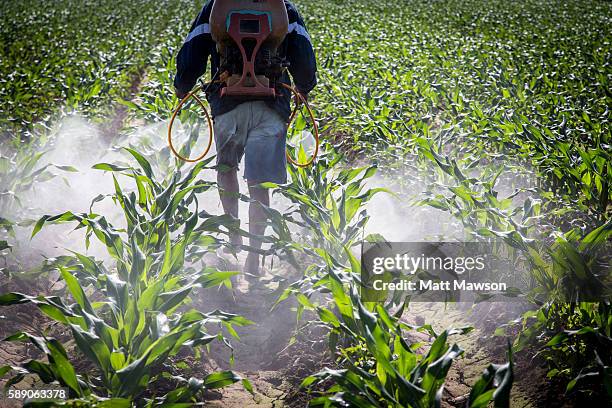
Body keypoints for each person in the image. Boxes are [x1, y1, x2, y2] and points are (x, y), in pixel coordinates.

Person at [174, 1, 317, 280]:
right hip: (271, 106)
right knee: (259, 182)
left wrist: (182, 87)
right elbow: (304, 58)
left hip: (228, 106)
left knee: (227, 170)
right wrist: (304, 87)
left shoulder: (215, 7)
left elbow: (192, 55)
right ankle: (254, 255)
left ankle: (233, 236)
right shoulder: (284, 8)